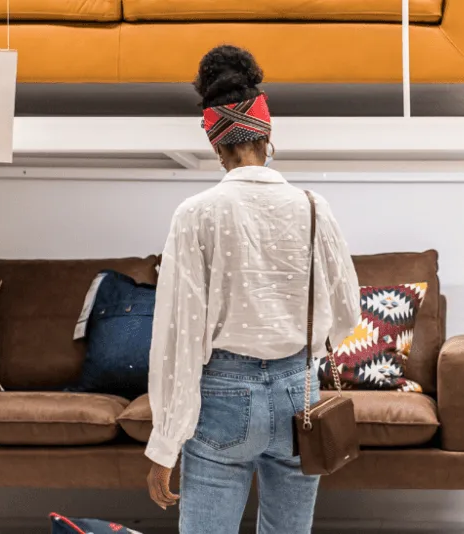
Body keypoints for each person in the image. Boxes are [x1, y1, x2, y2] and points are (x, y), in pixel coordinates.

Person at [143, 45, 363, 534]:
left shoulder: (196, 214)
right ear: (267, 135)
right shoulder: (313, 206)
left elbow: (179, 337)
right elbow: (348, 310)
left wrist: (165, 443)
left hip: (223, 394)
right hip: (299, 395)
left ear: (216, 146)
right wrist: (306, 348)